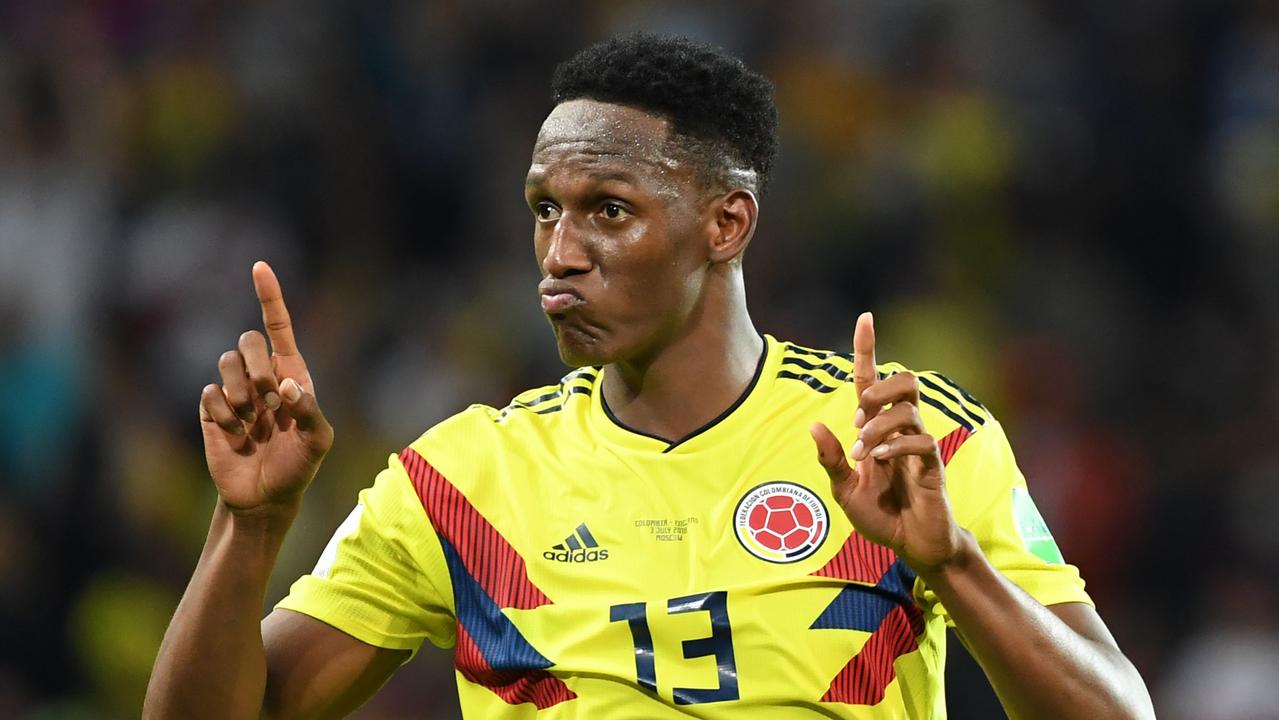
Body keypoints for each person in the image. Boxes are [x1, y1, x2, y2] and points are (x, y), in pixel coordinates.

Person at [144, 33, 1155, 719]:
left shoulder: (899, 440)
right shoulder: (460, 480)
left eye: (608, 210)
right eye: (546, 209)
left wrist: (953, 567)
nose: (560, 252)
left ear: (726, 223)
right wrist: (250, 529)